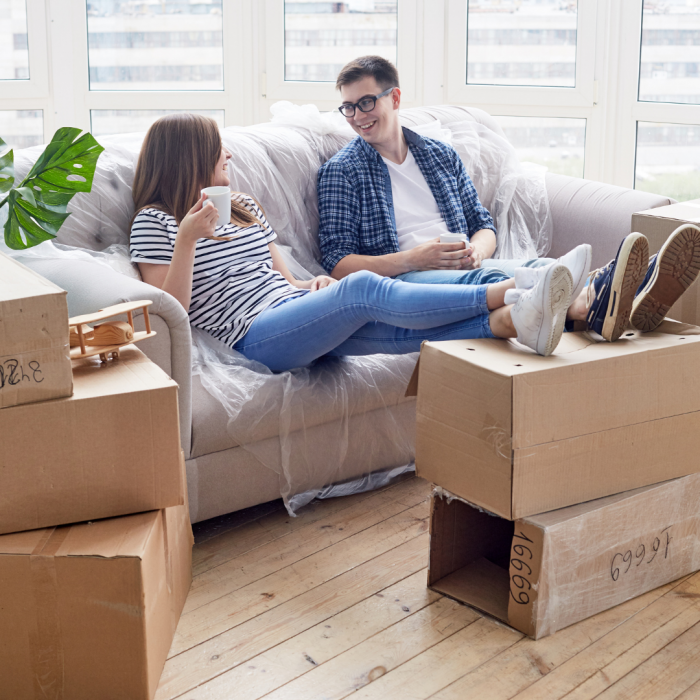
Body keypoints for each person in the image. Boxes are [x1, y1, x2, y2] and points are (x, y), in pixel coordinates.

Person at [128, 113, 596, 372]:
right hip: (255, 337)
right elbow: (173, 317)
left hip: (293, 309)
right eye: (217, 147)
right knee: (364, 288)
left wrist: (309, 287)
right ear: (189, 158)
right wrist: (187, 239)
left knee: (398, 335)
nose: (227, 153)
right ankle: (518, 290)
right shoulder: (156, 222)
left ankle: (519, 319)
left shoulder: (244, 206)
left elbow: (283, 279)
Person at [317, 55, 700, 342]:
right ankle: (601, 300)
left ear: (394, 98)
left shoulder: (438, 155)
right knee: (507, 277)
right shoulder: (342, 171)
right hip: (408, 282)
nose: (356, 116)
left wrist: (478, 251)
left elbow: (482, 224)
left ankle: (611, 298)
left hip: (463, 265)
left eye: (366, 102)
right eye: (348, 107)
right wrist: (413, 259)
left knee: (537, 264)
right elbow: (337, 263)